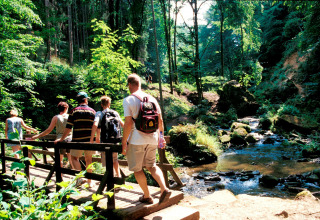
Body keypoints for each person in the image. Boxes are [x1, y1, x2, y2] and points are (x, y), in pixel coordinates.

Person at [122, 73, 171, 204]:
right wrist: (161, 138)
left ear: (129, 85)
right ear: (140, 84)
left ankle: (147, 196)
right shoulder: (152, 99)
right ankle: (164, 188)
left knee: (137, 169)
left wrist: (123, 143)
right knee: (152, 166)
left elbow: (128, 124)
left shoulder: (128, 100)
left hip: (136, 140)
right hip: (153, 138)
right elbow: (160, 120)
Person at [54, 92, 96, 187]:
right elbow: (96, 126)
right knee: (89, 159)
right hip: (89, 140)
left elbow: (68, 127)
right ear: (85, 100)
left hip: (77, 140)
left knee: (74, 158)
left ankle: (80, 179)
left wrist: (61, 139)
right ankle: (90, 181)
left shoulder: (74, 111)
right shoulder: (93, 111)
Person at [31, 102, 73, 169]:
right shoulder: (70, 117)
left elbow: (49, 130)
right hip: (70, 139)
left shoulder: (56, 117)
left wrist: (37, 136)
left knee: (59, 159)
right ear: (66, 108)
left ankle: (60, 176)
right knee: (72, 159)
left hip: (60, 140)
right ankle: (76, 176)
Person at [90, 96, 124, 177]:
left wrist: (91, 139)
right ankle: (118, 176)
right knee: (115, 159)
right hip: (115, 141)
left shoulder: (99, 113)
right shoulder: (115, 113)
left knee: (107, 160)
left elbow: (95, 124)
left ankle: (109, 178)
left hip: (105, 141)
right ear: (109, 104)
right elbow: (123, 125)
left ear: (102, 104)